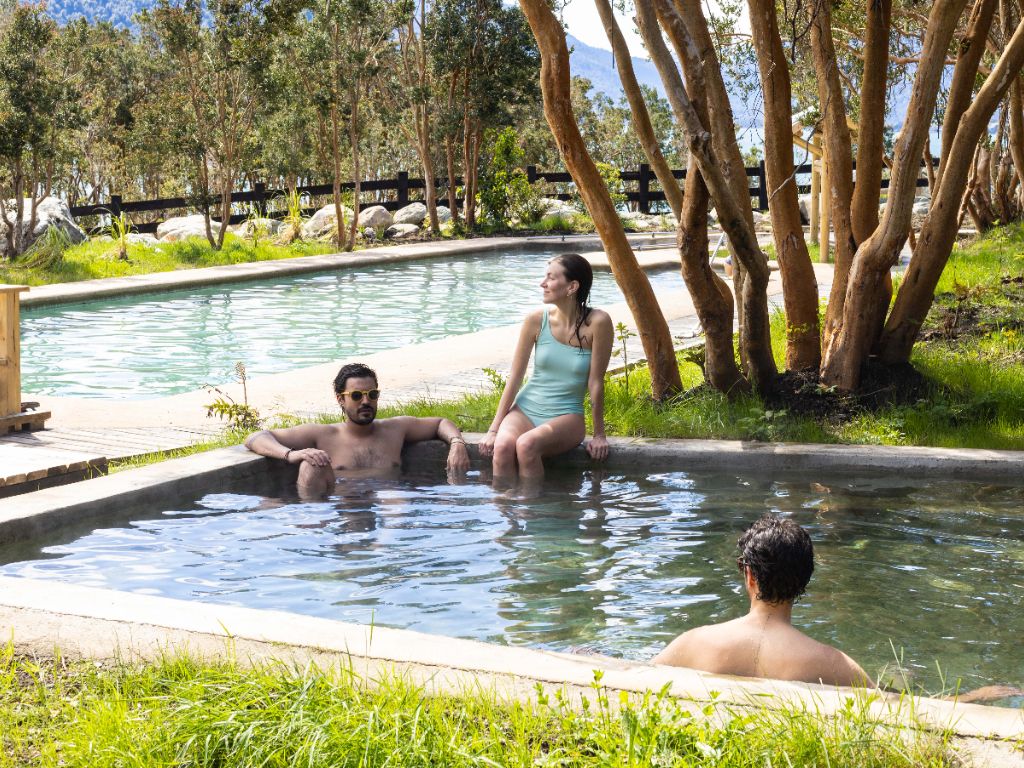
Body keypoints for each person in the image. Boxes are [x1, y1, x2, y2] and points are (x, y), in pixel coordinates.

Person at [653, 514, 873, 688]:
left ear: (749, 574)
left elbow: (642, 678)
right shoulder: (834, 665)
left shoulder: (692, 644)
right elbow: (882, 703)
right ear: (805, 579)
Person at [478, 253, 613, 479]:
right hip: (526, 408)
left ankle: (536, 503)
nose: (543, 283)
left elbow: (596, 382)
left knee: (526, 445)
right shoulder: (536, 320)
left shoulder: (598, 323)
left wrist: (599, 435)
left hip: (567, 414)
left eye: (551, 278)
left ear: (572, 287)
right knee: (501, 448)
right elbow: (515, 377)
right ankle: (504, 503)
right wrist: (493, 430)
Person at [244, 362, 470, 495]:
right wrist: (291, 454)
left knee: (395, 500)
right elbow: (256, 437)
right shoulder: (323, 434)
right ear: (340, 399)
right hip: (338, 505)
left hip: (389, 502)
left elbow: (441, 423)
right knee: (311, 464)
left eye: (372, 394)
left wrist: (457, 443)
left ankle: (389, 552)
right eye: (356, 395)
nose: (365, 401)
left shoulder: (395, 429)